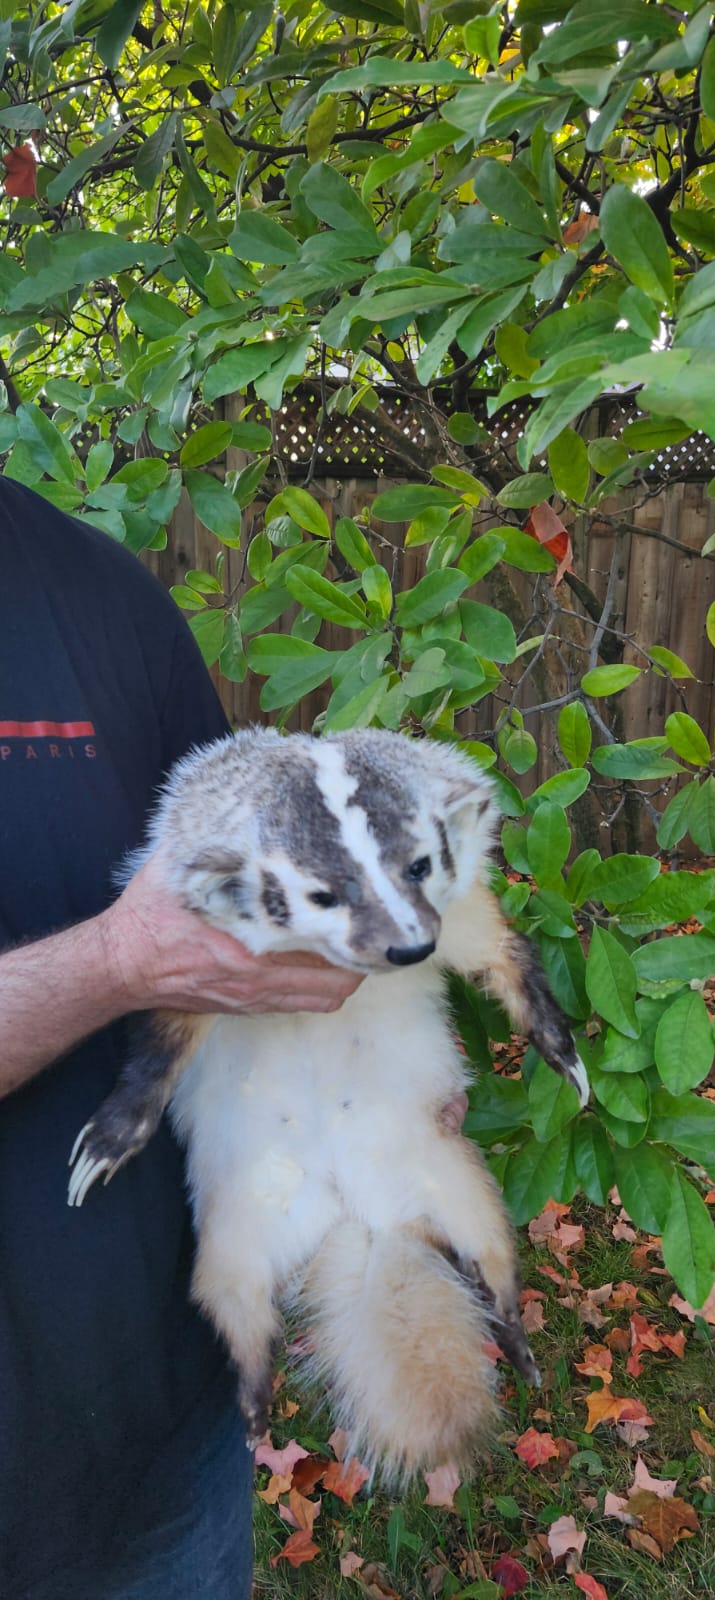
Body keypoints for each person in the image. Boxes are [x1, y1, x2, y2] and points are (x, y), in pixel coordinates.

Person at [0, 475, 361, 1598]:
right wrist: (112, 962)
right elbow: (145, 949)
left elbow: (221, 930)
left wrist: (352, 1082)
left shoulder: (100, 592)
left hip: (156, 1456)